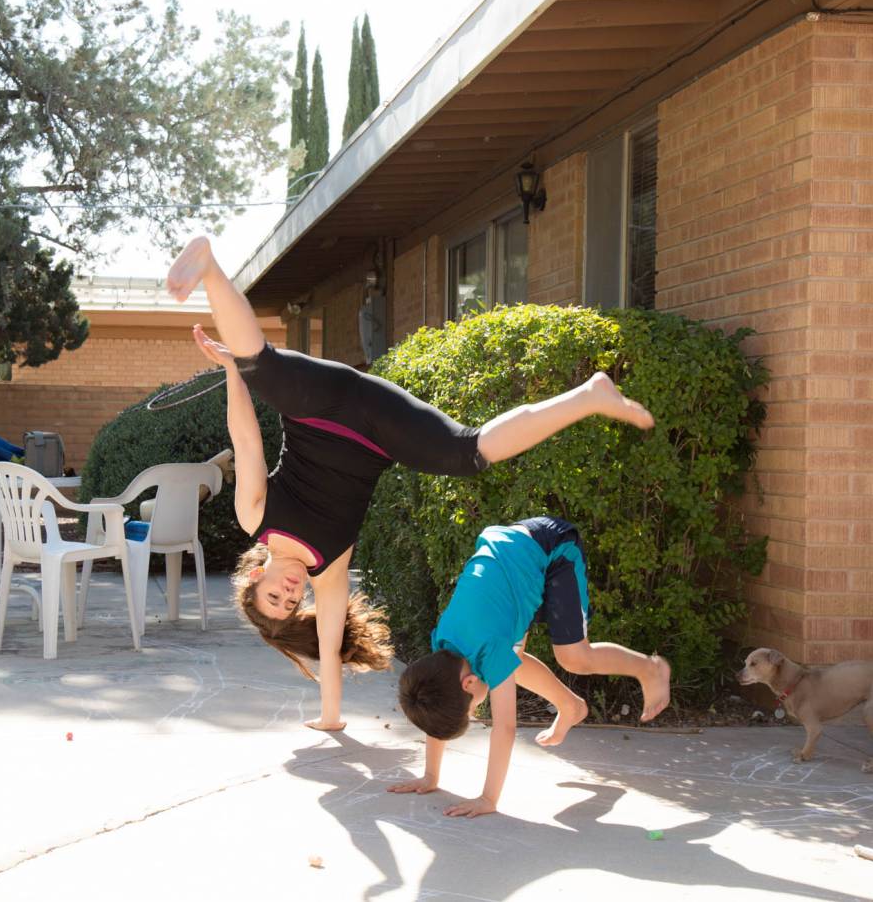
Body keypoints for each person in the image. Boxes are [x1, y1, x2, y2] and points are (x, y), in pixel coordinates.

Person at [166, 236, 655, 732]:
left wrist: (232, 370)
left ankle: (208, 267)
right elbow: (330, 647)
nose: (290, 593)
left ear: (254, 579)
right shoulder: (328, 572)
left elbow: (246, 441)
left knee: (258, 365)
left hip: (319, 404)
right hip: (380, 428)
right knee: (469, 451)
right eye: (292, 603)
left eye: (275, 596)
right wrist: (330, 719)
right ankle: (589, 395)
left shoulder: (257, 520)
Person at [388, 516, 670, 818]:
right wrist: (431, 776)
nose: (476, 712)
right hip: (509, 565)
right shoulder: (444, 650)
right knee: (510, 663)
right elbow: (436, 699)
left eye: (472, 710)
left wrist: (488, 798)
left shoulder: (489, 647)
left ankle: (649, 669)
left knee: (574, 657)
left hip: (552, 550)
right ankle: (570, 706)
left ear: (468, 684)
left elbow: (505, 728)